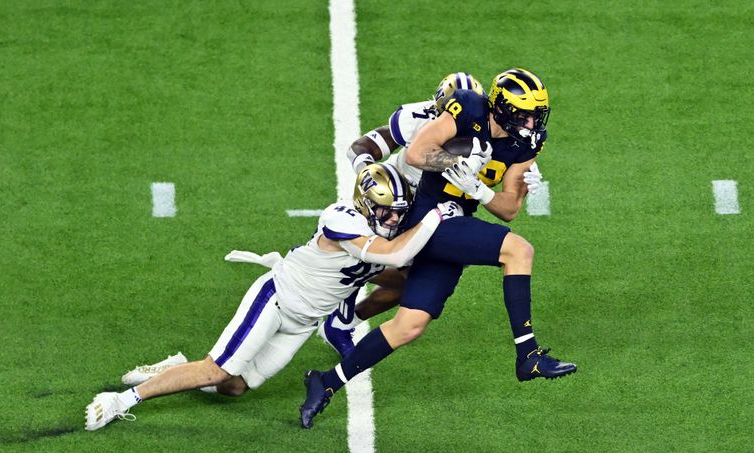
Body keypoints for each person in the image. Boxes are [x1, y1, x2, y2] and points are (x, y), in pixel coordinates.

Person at [84, 163, 463, 431]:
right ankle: (123, 401)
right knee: (218, 370)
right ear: (365, 204)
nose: (394, 219)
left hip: (303, 323)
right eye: (385, 211)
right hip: (277, 299)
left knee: (232, 387)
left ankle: (173, 368)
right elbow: (394, 253)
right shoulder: (342, 218)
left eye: (397, 212)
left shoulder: (381, 230)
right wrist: (436, 218)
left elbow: (397, 270)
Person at [300, 68, 577, 429]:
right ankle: (528, 354)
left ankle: (326, 381)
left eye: (536, 114)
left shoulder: (527, 143)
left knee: (409, 325)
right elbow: (416, 153)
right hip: (427, 213)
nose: (531, 122)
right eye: (524, 113)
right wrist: (453, 164)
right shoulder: (467, 108)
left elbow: (509, 209)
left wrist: (481, 191)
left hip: (456, 217)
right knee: (518, 251)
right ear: (502, 108)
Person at [319, 72, 543, 358]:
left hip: (431, 209)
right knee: (363, 262)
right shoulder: (421, 120)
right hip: (393, 204)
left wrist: (523, 174)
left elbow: (499, 175)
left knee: (407, 283)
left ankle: (343, 322)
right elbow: (363, 148)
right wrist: (372, 179)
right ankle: (321, 287)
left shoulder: (489, 131)